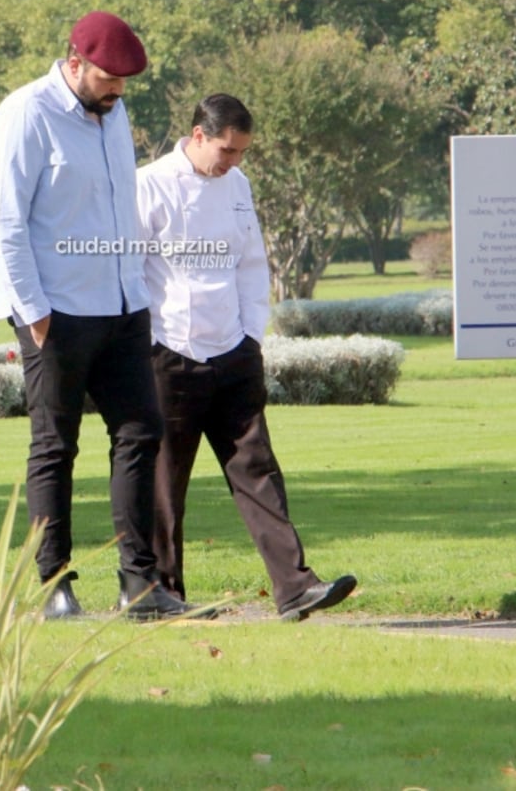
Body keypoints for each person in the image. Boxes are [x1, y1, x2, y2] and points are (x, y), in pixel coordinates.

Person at [0, 10, 192, 620]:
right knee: (55, 446)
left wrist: (139, 291)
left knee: (140, 433)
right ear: (74, 63)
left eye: (125, 82)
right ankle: (56, 588)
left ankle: (139, 586)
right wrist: (35, 313)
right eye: (108, 78)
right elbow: (5, 223)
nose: (118, 90)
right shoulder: (24, 115)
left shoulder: (112, 112)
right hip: (56, 311)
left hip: (124, 305)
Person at [135, 93, 357, 621]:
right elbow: (128, 268)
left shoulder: (238, 186)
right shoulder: (149, 185)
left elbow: (251, 264)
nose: (234, 161)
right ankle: (162, 595)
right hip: (171, 352)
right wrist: (149, 342)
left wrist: (251, 334)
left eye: (241, 152)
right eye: (227, 150)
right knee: (165, 482)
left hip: (234, 351)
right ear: (197, 136)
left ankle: (296, 588)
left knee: (258, 469)